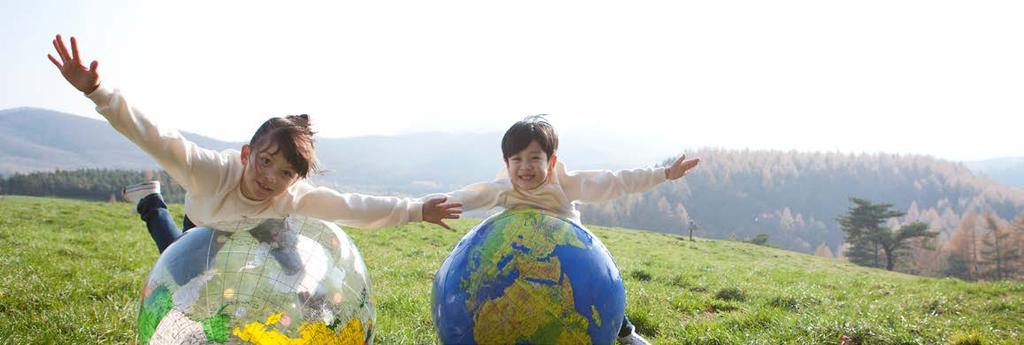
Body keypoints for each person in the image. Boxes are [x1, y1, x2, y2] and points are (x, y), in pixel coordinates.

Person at [47, 34, 463, 274]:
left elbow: (353, 207)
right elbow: (153, 136)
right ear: (247, 154)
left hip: (265, 225)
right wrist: (97, 91)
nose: (270, 178)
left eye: (285, 173)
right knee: (184, 271)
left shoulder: (293, 195)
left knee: (294, 269)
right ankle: (151, 202)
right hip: (207, 216)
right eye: (265, 162)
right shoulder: (207, 171)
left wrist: (416, 210)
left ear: (296, 179)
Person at [432, 115, 700, 345]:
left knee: (592, 294)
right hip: (524, 256)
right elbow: (465, 197)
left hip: (569, 256)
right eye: (517, 159)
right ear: (507, 164)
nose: (525, 167)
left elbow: (616, 182)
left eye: (534, 158)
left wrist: (664, 173)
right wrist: (420, 209)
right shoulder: (503, 190)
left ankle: (626, 332)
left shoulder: (567, 184)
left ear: (550, 162)